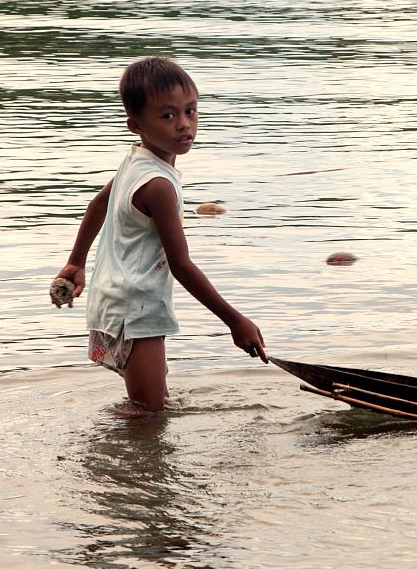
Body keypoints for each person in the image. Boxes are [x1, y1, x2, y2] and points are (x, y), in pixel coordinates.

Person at [52, 56, 268, 412]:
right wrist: (235, 321)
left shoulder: (135, 162)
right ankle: (105, 463)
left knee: (152, 404)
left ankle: (118, 461)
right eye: (168, 116)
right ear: (135, 124)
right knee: (147, 411)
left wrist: (76, 262)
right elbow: (181, 264)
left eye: (190, 111)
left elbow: (96, 206)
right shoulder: (158, 186)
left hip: (116, 303)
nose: (184, 125)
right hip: (136, 312)